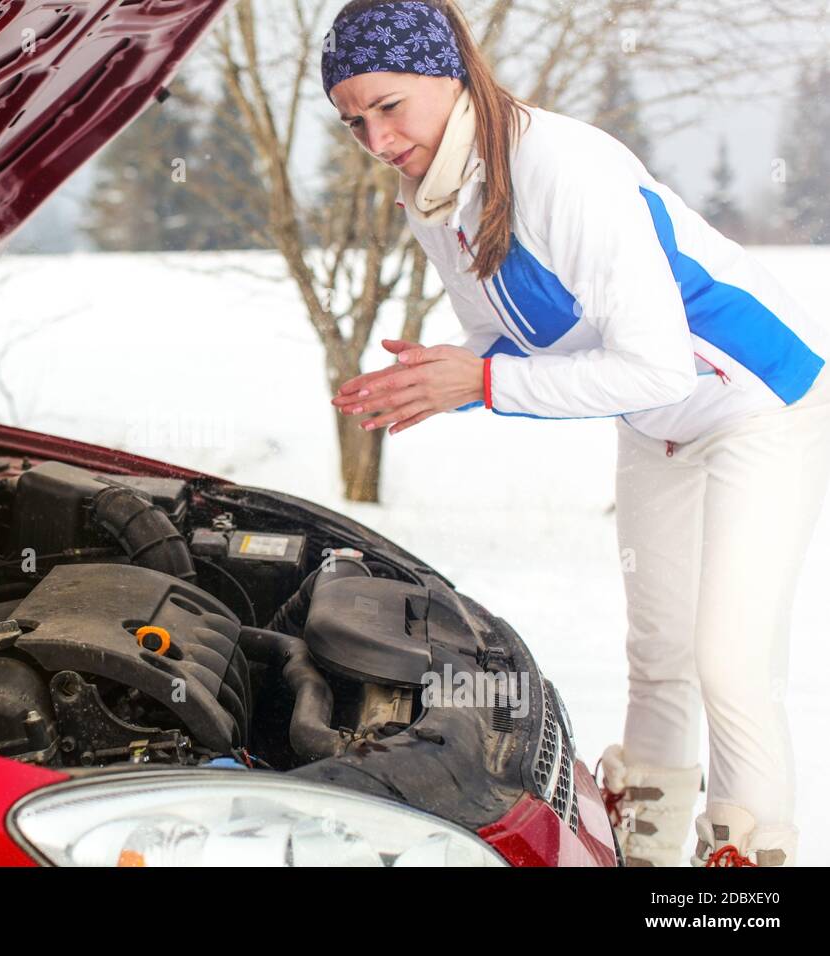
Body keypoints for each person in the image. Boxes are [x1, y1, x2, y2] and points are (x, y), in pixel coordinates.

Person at [322, 0, 830, 867]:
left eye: (388, 106)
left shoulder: (563, 165)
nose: (374, 138)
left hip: (758, 401)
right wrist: (448, 378)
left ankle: (748, 867)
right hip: (655, 423)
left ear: (447, 75)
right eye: (352, 120)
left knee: (729, 661)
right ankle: (651, 854)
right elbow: (508, 338)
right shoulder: (432, 195)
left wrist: (480, 382)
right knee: (656, 653)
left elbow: (658, 363)